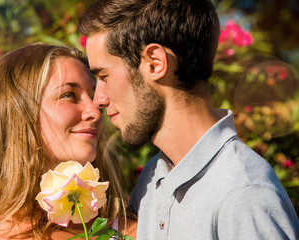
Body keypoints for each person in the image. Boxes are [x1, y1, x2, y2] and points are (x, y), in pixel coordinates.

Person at [78, 0, 299, 239]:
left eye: (104, 76)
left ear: (155, 63)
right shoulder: (153, 177)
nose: (98, 99)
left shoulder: (243, 194)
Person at [0, 42, 136, 239]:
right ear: (15, 113)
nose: (95, 111)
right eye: (69, 95)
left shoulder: (128, 232)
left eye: (93, 97)